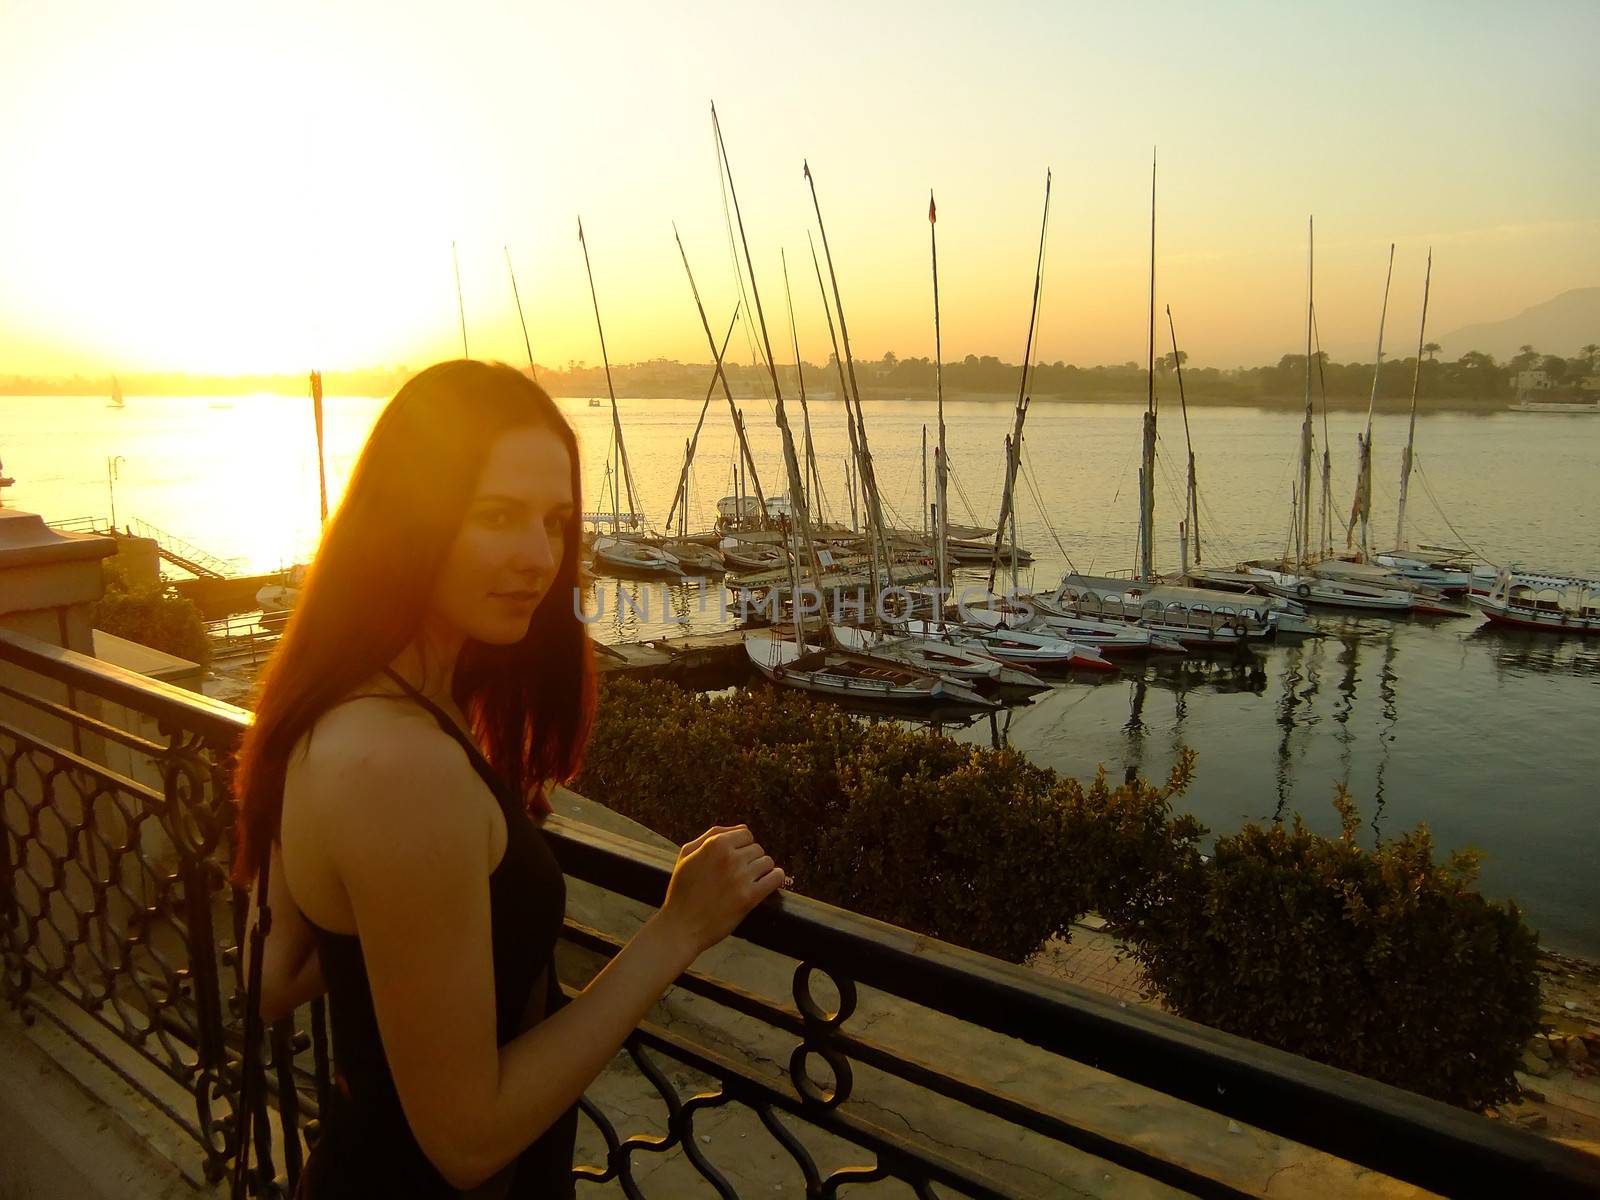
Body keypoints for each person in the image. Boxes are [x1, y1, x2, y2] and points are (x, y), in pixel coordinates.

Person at [231, 361, 784, 1197]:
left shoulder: (342, 701)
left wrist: (406, 915)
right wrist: (675, 931)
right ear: (408, 518)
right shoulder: (402, 765)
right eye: (496, 515)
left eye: (557, 520)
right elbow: (467, 1139)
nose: (540, 555)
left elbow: (271, 980)